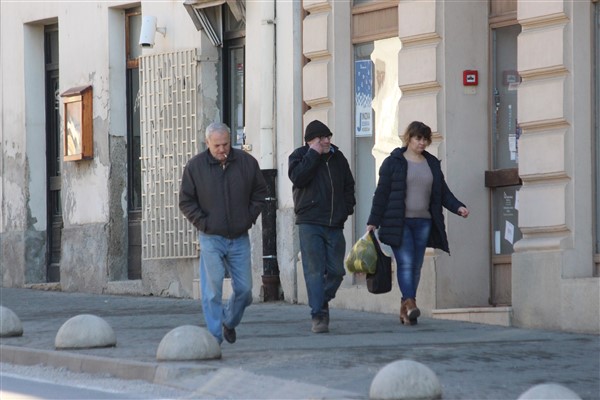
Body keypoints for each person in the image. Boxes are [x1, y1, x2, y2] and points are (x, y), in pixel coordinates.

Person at [366, 121, 469, 326]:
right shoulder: (393, 162)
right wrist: (373, 222)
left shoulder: (431, 163)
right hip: (399, 222)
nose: (422, 142)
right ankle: (411, 303)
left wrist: (458, 207)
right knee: (405, 262)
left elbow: (443, 192)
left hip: (424, 222)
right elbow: (382, 194)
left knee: (416, 265)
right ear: (409, 138)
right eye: (418, 138)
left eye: (425, 139)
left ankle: (405, 308)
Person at [179, 122, 268, 344]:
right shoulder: (195, 167)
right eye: (217, 145)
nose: (222, 149)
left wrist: (248, 218)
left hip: (239, 237)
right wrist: (204, 223)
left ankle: (229, 321)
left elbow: (260, 192)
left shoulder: (247, 163)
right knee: (212, 291)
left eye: (226, 144)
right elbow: (186, 201)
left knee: (245, 290)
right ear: (207, 143)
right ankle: (214, 339)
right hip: (211, 237)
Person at [288, 120, 356, 333]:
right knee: (314, 270)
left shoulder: (338, 157)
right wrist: (313, 155)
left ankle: (320, 299)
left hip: (335, 222)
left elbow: (349, 185)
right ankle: (318, 315)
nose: (327, 141)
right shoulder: (299, 156)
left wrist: (347, 208)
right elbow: (298, 178)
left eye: (328, 137)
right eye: (322, 138)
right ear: (310, 141)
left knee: (337, 271)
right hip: (310, 222)